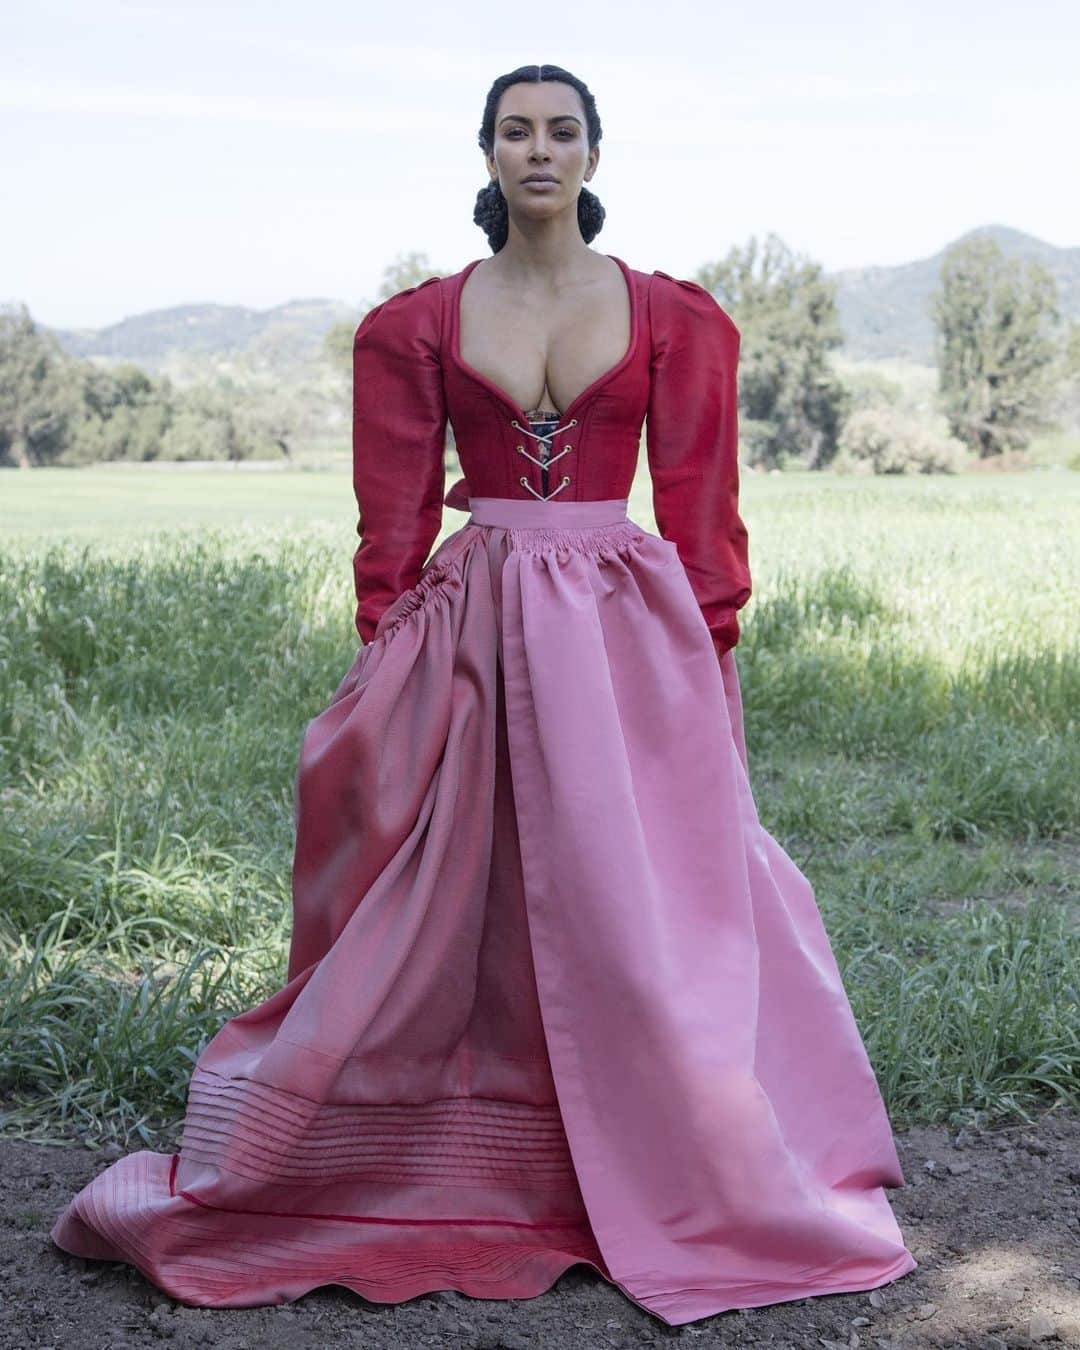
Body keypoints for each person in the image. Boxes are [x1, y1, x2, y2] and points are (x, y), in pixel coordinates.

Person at [49, 63, 917, 1328]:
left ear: (594, 157)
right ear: (490, 156)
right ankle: (441, 1150)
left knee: (633, 892)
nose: (540, 151)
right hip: (476, 622)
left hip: (624, 628)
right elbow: (391, 523)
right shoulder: (420, 322)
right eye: (517, 132)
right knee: (463, 887)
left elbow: (701, 511)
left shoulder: (674, 317)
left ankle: (659, 1149)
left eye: (562, 132)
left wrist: (710, 663)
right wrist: (380, 661)